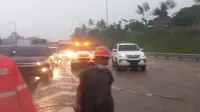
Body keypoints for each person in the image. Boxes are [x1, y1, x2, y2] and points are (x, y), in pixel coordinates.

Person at [74, 46, 114, 112]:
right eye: (104, 59)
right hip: (90, 107)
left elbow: (108, 90)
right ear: (96, 58)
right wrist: (77, 104)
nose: (106, 62)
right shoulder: (86, 73)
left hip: (104, 107)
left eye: (107, 59)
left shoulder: (107, 73)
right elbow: (80, 90)